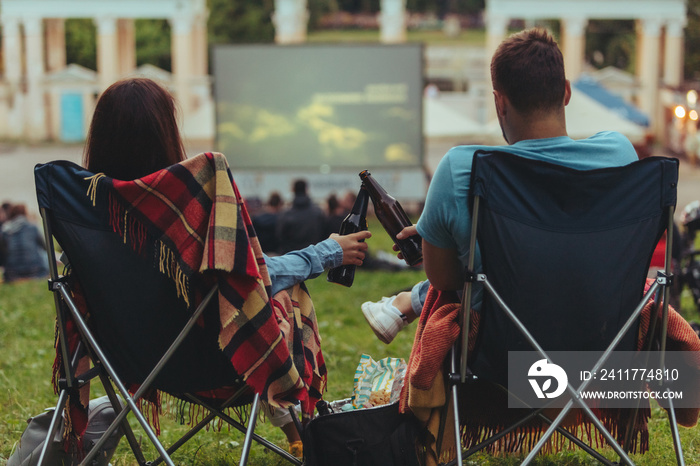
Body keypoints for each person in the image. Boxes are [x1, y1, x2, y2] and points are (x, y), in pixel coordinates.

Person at [82, 77, 371, 456]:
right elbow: (252, 276)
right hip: (218, 360)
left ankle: (295, 421)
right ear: (166, 133)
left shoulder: (82, 204)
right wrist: (327, 253)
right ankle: (298, 415)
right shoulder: (191, 195)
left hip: (128, 361)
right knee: (289, 293)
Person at [362, 27, 640, 344]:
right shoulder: (619, 153)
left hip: (503, 360)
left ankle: (403, 303)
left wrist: (442, 240)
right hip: (603, 345)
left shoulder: (461, 168)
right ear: (566, 92)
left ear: (499, 103)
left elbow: (445, 280)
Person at [0, 203, 49, 282]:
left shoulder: (5, 230)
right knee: (43, 253)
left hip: (12, 273)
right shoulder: (33, 227)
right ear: (25, 213)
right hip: (36, 271)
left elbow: (3, 252)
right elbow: (45, 247)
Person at [276, 179, 327, 254]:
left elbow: (280, 237)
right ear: (306, 190)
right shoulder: (318, 212)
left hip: (292, 256)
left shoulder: (285, 214)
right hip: (313, 255)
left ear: (293, 190)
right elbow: (324, 234)